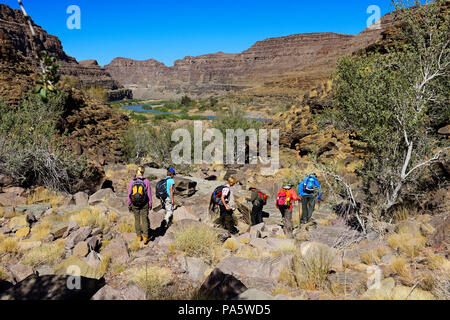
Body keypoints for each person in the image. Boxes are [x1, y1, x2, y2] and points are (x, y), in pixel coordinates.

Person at [128, 166, 152, 244]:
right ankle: (145, 237)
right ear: (143, 172)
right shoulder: (146, 181)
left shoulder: (132, 181)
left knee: (137, 219)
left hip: (134, 203)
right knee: (144, 219)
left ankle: (139, 236)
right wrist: (150, 203)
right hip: (144, 203)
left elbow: (129, 193)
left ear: (136, 172)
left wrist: (129, 203)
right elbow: (149, 193)